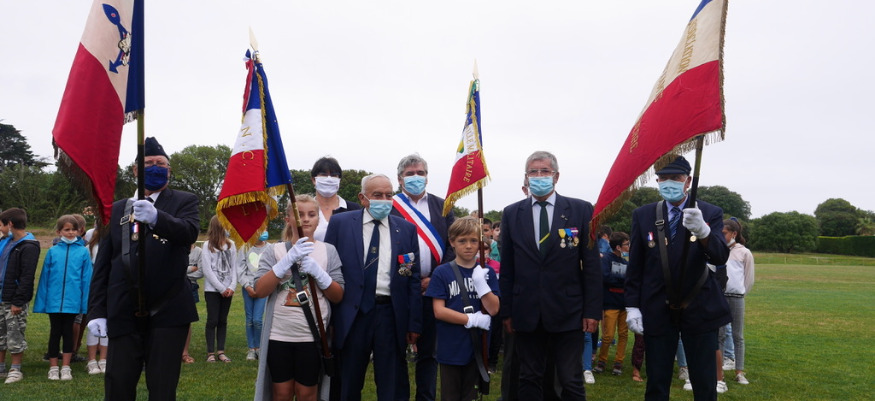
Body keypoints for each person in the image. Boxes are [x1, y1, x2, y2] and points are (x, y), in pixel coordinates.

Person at [87, 137, 200, 400]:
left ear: (169, 170)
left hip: (168, 309)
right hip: (123, 309)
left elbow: (189, 232)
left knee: (162, 387)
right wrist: (97, 311)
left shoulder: (184, 201)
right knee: (118, 384)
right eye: (148, 163)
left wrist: (158, 218)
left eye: (161, 163)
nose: (155, 167)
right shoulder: (116, 209)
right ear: (135, 170)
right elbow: (104, 264)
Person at [624, 155, 731, 401]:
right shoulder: (643, 214)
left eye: (676, 177)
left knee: (704, 383)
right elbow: (636, 265)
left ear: (688, 181)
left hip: (699, 306)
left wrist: (703, 231)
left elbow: (719, 257)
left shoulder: (709, 212)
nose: (669, 183)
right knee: (657, 382)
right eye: (663, 178)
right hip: (657, 306)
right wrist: (632, 306)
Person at [499, 151, 602, 400]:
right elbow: (508, 268)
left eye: (544, 171)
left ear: (556, 176)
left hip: (568, 311)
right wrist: (507, 312)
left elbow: (591, 266)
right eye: (533, 172)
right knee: (529, 377)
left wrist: (592, 311)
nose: (539, 176)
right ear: (526, 177)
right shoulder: (512, 213)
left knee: (570, 379)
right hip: (527, 312)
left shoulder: (580, 210)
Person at [324, 174, 422, 401]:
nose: (384, 200)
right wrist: (330, 319)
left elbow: (412, 278)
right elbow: (328, 269)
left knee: (392, 382)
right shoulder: (340, 224)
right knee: (348, 380)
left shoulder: (406, 230)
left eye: (388, 195)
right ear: (363, 198)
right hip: (353, 313)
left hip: (390, 314)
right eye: (377, 195)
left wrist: (413, 322)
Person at [253, 194, 345, 401]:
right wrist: (286, 262)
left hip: (312, 337)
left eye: (311, 214)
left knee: (307, 393)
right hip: (279, 335)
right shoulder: (274, 250)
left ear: (318, 219)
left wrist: (319, 273)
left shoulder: (328, 251)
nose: (305, 219)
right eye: (299, 214)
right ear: (288, 219)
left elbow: (338, 295)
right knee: (282, 392)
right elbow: (259, 290)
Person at [390, 154, 455, 401]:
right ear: (400, 179)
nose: (415, 177)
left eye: (420, 173)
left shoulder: (443, 205)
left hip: (432, 288)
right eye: (410, 174)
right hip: (400, 288)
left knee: (429, 353)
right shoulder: (391, 205)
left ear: (427, 177)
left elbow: (453, 244)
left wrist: (436, 277)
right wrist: (409, 281)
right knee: (396, 349)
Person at [425, 216, 499, 401]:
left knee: (471, 396)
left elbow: (494, 309)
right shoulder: (442, 272)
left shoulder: (487, 272)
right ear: (452, 242)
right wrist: (471, 319)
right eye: (462, 241)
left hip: (477, 348)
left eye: (473, 241)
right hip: (451, 346)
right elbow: (439, 311)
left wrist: (482, 284)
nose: (468, 246)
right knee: (450, 396)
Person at [33, 215, 93, 381]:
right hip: (53, 302)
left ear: (79, 231)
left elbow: (86, 280)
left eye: (74, 229)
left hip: (73, 302)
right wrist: (42, 302)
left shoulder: (83, 252)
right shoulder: (52, 252)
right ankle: (53, 367)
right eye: (67, 229)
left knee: (68, 333)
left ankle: (66, 367)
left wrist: (84, 303)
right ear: (59, 232)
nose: (70, 232)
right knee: (54, 333)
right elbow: (44, 279)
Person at [0, 208, 40, 384]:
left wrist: (18, 302)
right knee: (0, 334)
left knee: (15, 334)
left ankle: (15, 370)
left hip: (14, 300)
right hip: (1, 296)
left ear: (10, 224)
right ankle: (1, 368)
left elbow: (27, 277)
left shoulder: (29, 246)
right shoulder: (5, 241)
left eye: (1, 225)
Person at [720, 218, 754, 385]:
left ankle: (739, 372)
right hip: (720, 297)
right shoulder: (718, 250)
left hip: (737, 298)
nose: (721, 236)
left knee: (737, 336)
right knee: (719, 335)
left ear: (734, 233)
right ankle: (718, 372)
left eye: (724, 233)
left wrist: (740, 293)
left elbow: (748, 279)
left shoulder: (744, 252)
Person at [201, 215, 238, 363]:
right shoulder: (207, 246)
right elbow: (207, 270)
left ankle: (221, 351)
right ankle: (210, 353)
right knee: (212, 320)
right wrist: (221, 288)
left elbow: (234, 267)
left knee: (223, 320)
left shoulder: (231, 245)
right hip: (213, 290)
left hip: (228, 290)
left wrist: (231, 286)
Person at [595, 232, 631, 376]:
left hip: (624, 303)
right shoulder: (606, 259)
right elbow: (605, 277)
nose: (628, 246)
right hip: (610, 302)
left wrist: (618, 279)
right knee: (608, 335)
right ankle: (602, 360)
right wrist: (622, 279)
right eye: (626, 244)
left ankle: (618, 362)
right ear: (618, 247)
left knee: (623, 334)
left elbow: (629, 279)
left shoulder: (626, 262)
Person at [310, 156, 361, 242]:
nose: (329, 179)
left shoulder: (354, 209)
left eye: (334, 175)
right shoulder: (303, 209)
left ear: (339, 180)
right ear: (313, 180)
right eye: (324, 175)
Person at [239, 231, 271, 361]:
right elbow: (240, 269)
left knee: (258, 320)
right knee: (250, 319)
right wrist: (248, 286)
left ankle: (259, 347)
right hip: (248, 289)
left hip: (263, 289)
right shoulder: (245, 247)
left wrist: (262, 287)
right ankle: (251, 349)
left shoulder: (270, 248)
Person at [83, 224, 108, 374]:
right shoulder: (89, 249)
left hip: (109, 289)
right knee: (93, 323)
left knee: (107, 324)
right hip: (93, 290)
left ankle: (103, 360)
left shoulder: (115, 247)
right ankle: (92, 360)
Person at [181, 242, 203, 364]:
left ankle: (185, 353)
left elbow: (201, 271)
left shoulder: (198, 251)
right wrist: (190, 269)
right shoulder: (177, 247)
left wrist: (183, 273)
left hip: (191, 287)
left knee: (187, 320)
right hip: (175, 285)